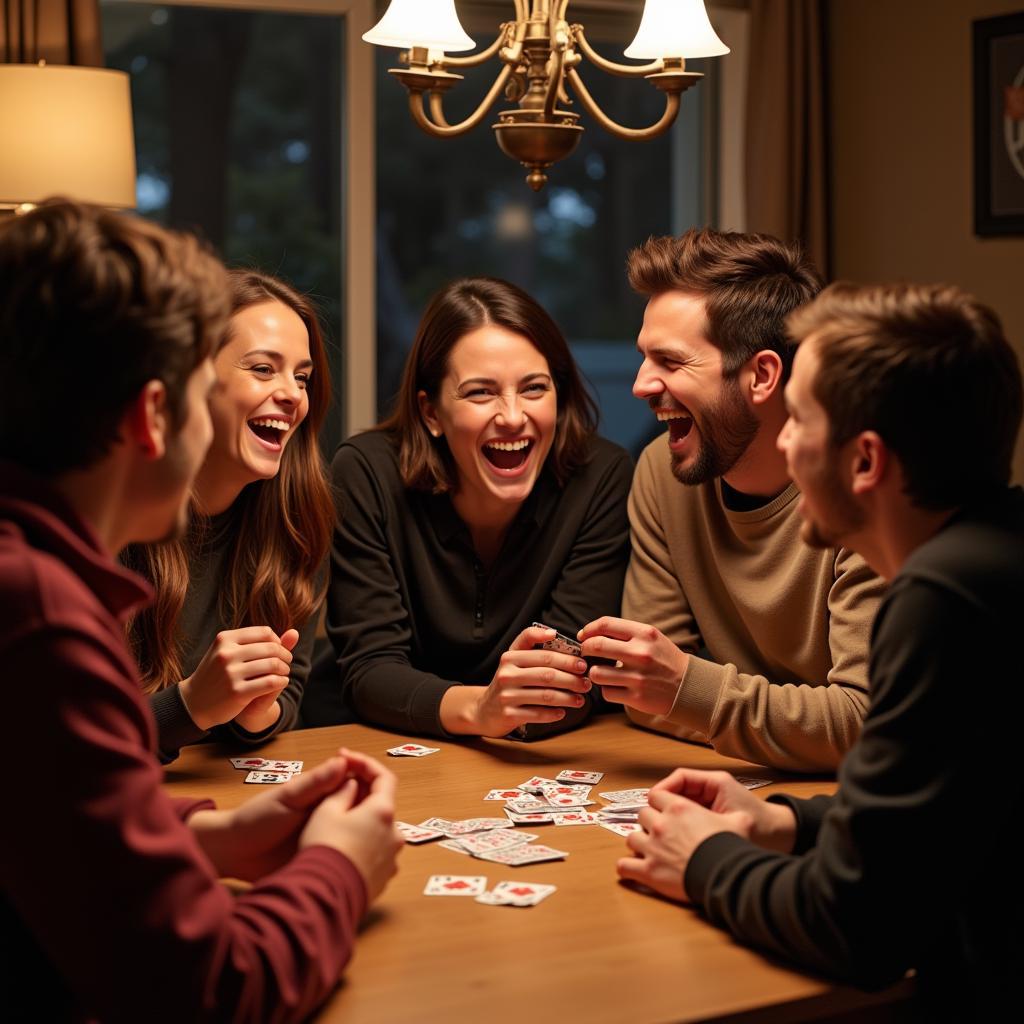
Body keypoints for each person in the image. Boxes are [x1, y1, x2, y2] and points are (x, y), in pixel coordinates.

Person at [0, 200, 402, 1022]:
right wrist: (337, 868)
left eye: (301, 378)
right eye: (195, 385)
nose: (288, 400)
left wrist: (206, 836)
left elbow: (51, 817)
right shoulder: (36, 613)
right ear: (155, 416)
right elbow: (214, 988)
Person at [616, 281, 1024, 1017]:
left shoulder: (943, 599)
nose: (782, 443)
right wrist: (790, 822)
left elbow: (856, 926)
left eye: (799, 420)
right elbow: (939, 819)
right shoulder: (991, 555)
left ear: (864, 462)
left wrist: (703, 861)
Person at [578, 230, 885, 771]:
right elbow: (647, 696)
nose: (641, 385)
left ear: (761, 375)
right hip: (733, 787)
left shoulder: (861, 487)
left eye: (670, 362)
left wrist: (693, 693)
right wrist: (789, 729)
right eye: (644, 359)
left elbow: (865, 724)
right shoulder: (662, 471)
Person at [302, 277, 633, 739]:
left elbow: (574, 676)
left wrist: (506, 711)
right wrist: (481, 708)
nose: (514, 416)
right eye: (481, 392)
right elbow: (370, 671)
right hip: (371, 739)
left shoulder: (601, 477)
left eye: (535, 388)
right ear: (431, 413)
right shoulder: (365, 473)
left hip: (528, 752)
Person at [123, 270, 333, 763]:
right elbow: (56, 740)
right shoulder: (110, 518)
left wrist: (256, 710)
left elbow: (287, 704)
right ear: (187, 381)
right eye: (263, 369)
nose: (292, 394)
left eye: (301, 377)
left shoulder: (299, 519)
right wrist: (191, 704)